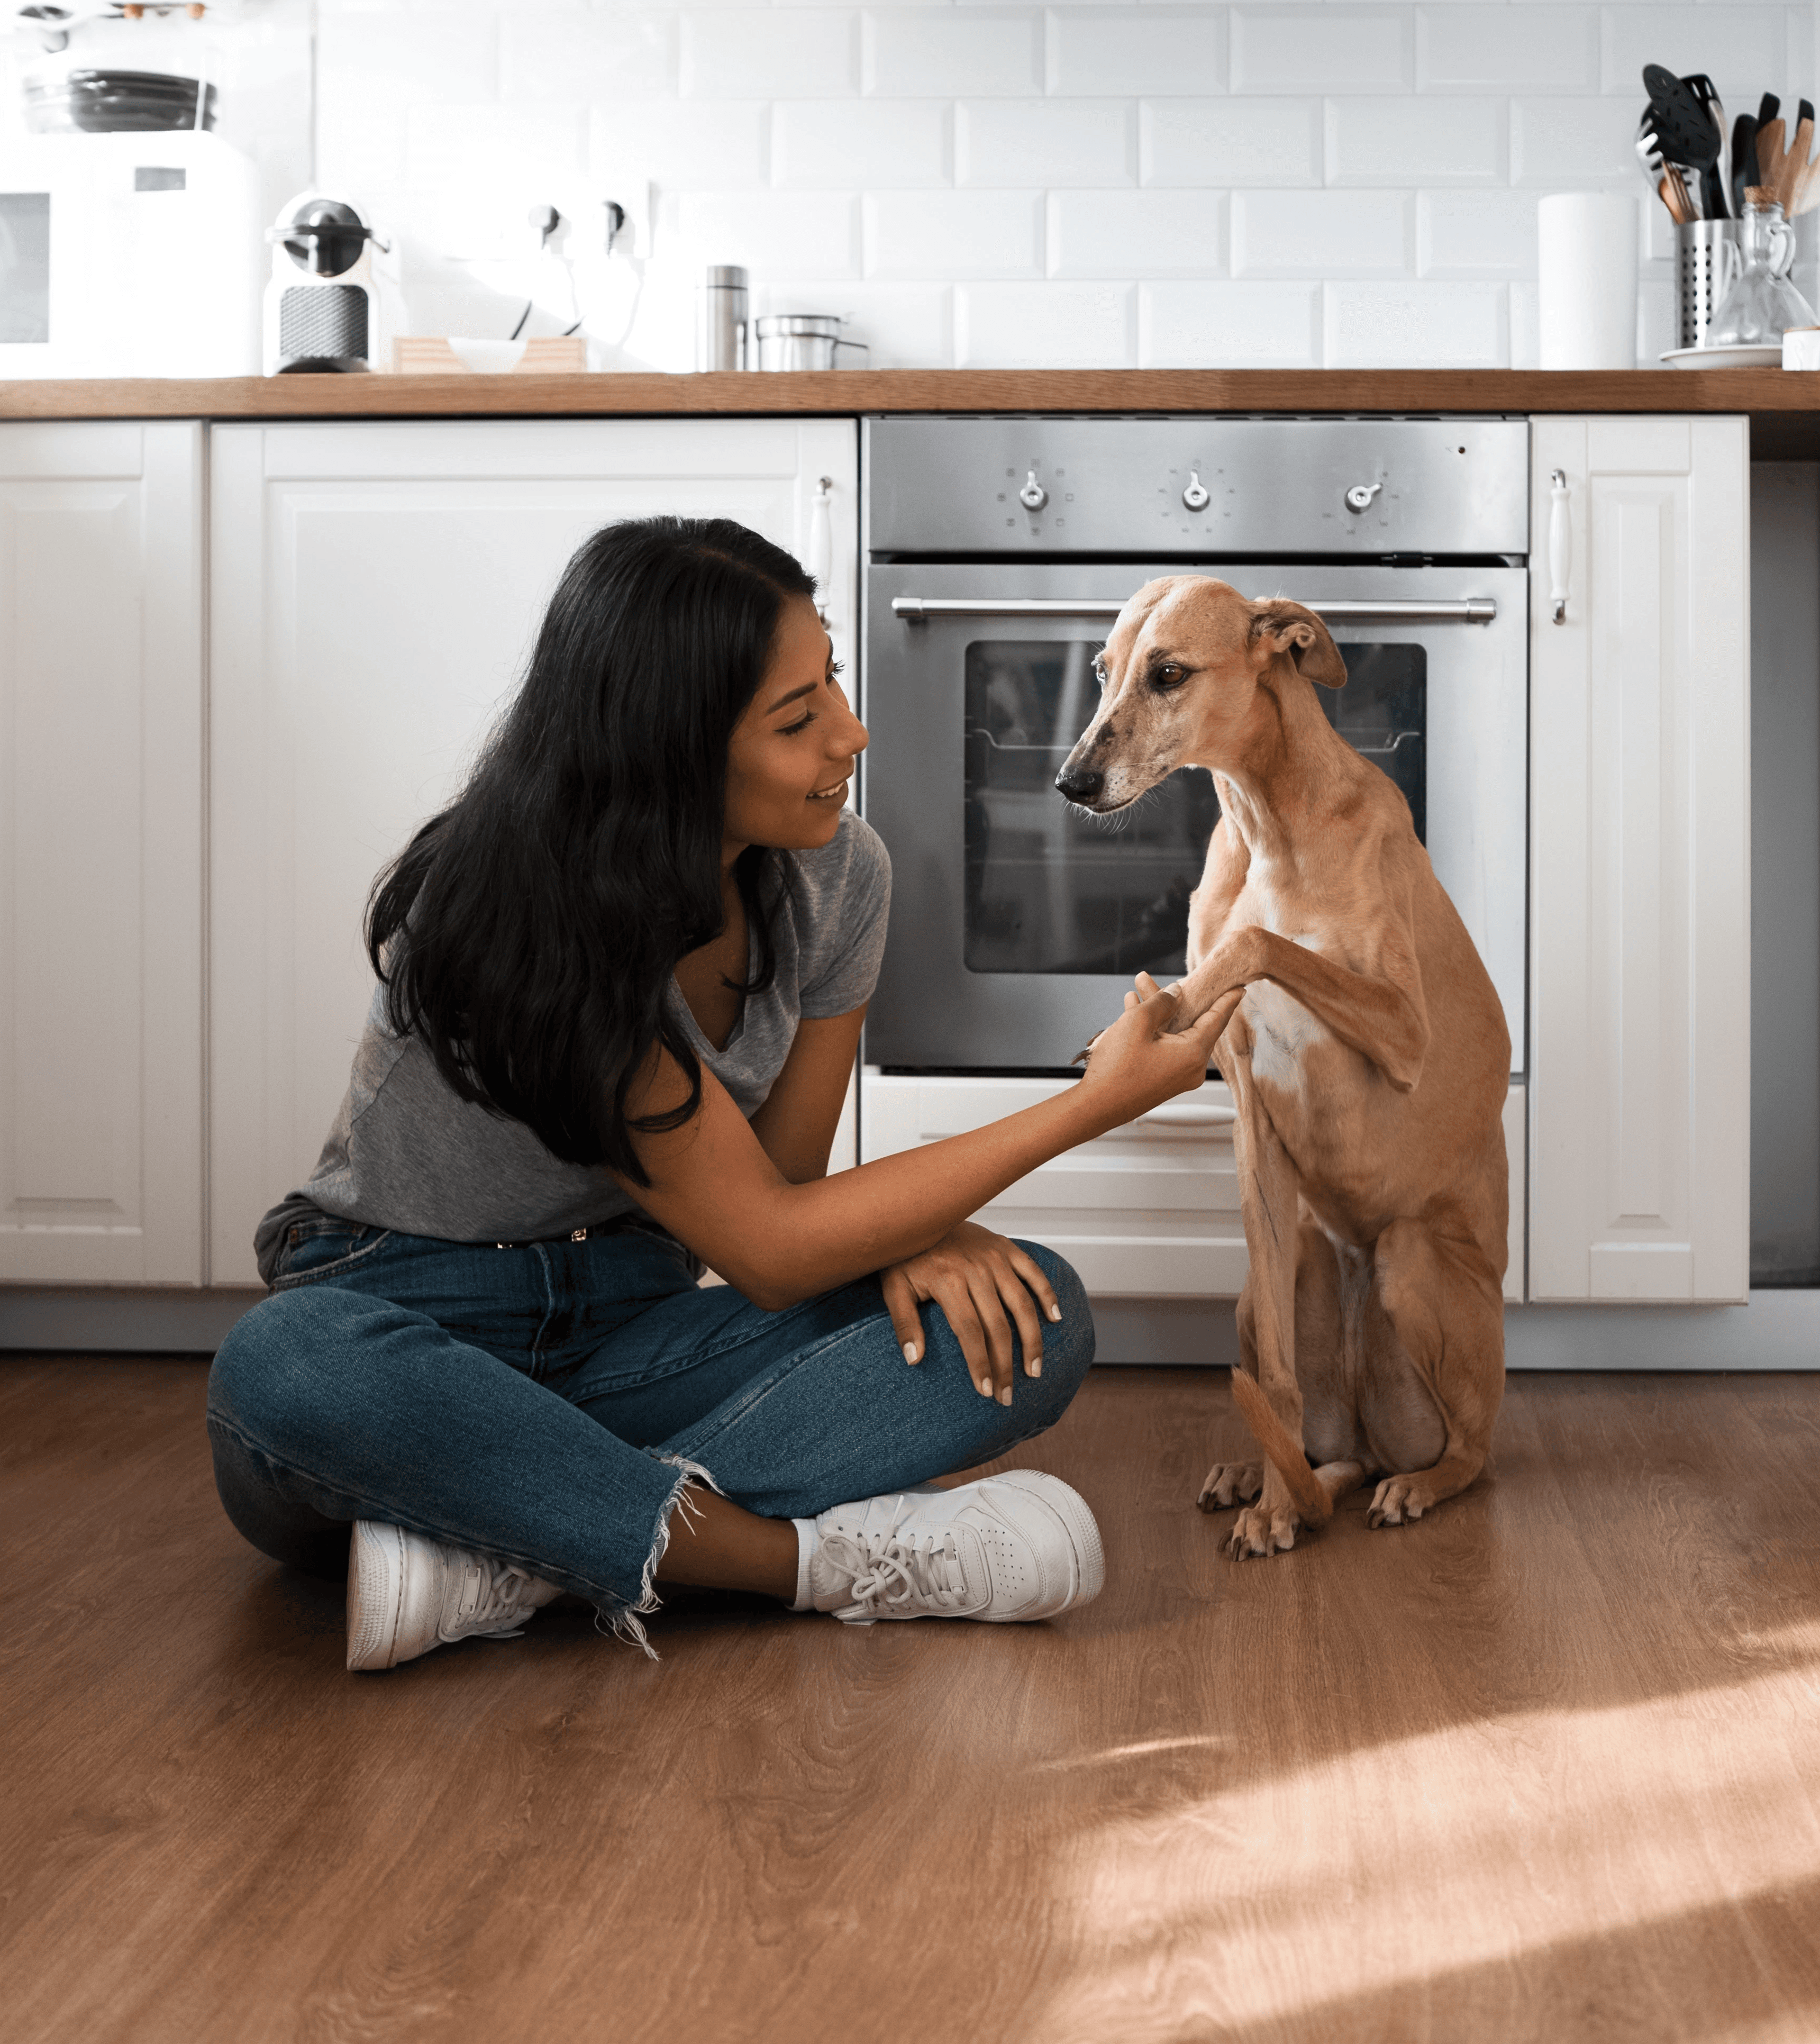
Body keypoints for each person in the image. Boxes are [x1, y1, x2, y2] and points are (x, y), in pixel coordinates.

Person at [205, 516, 1224, 1673]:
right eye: (798, 720)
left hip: (631, 1327)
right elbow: (779, 1248)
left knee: (1032, 1310)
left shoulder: (839, 876)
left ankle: (510, 1534)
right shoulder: (520, 909)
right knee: (285, 1365)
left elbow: (776, 1198)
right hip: (403, 1308)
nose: (852, 731)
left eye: (828, 677)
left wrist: (914, 1235)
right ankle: (804, 1566)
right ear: (669, 752)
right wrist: (1095, 1099)